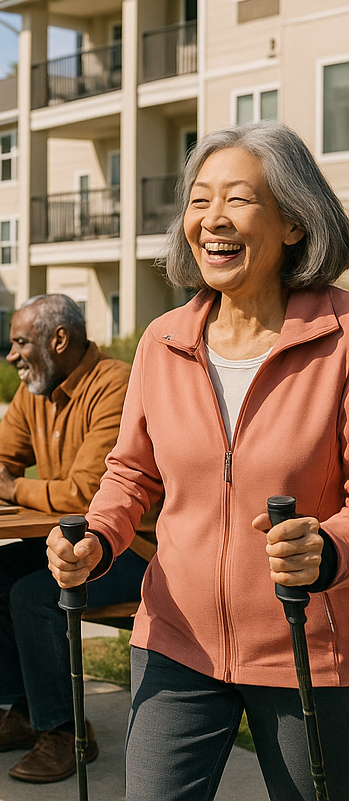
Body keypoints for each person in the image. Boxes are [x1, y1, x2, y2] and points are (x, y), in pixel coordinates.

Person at [48, 124, 349, 800]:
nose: (212, 218)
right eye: (198, 199)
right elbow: (132, 472)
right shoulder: (163, 341)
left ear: (294, 223)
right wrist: (97, 538)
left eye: (238, 199)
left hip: (307, 645)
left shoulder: (343, 338)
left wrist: (329, 547)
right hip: (175, 639)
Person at [0, 293, 152, 784]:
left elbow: (88, 494)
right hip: (64, 544)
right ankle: (26, 711)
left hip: (129, 548)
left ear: (59, 340)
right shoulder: (35, 390)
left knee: (35, 596)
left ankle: (66, 732)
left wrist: (13, 488)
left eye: (21, 342)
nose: (11, 355)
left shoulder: (115, 385)